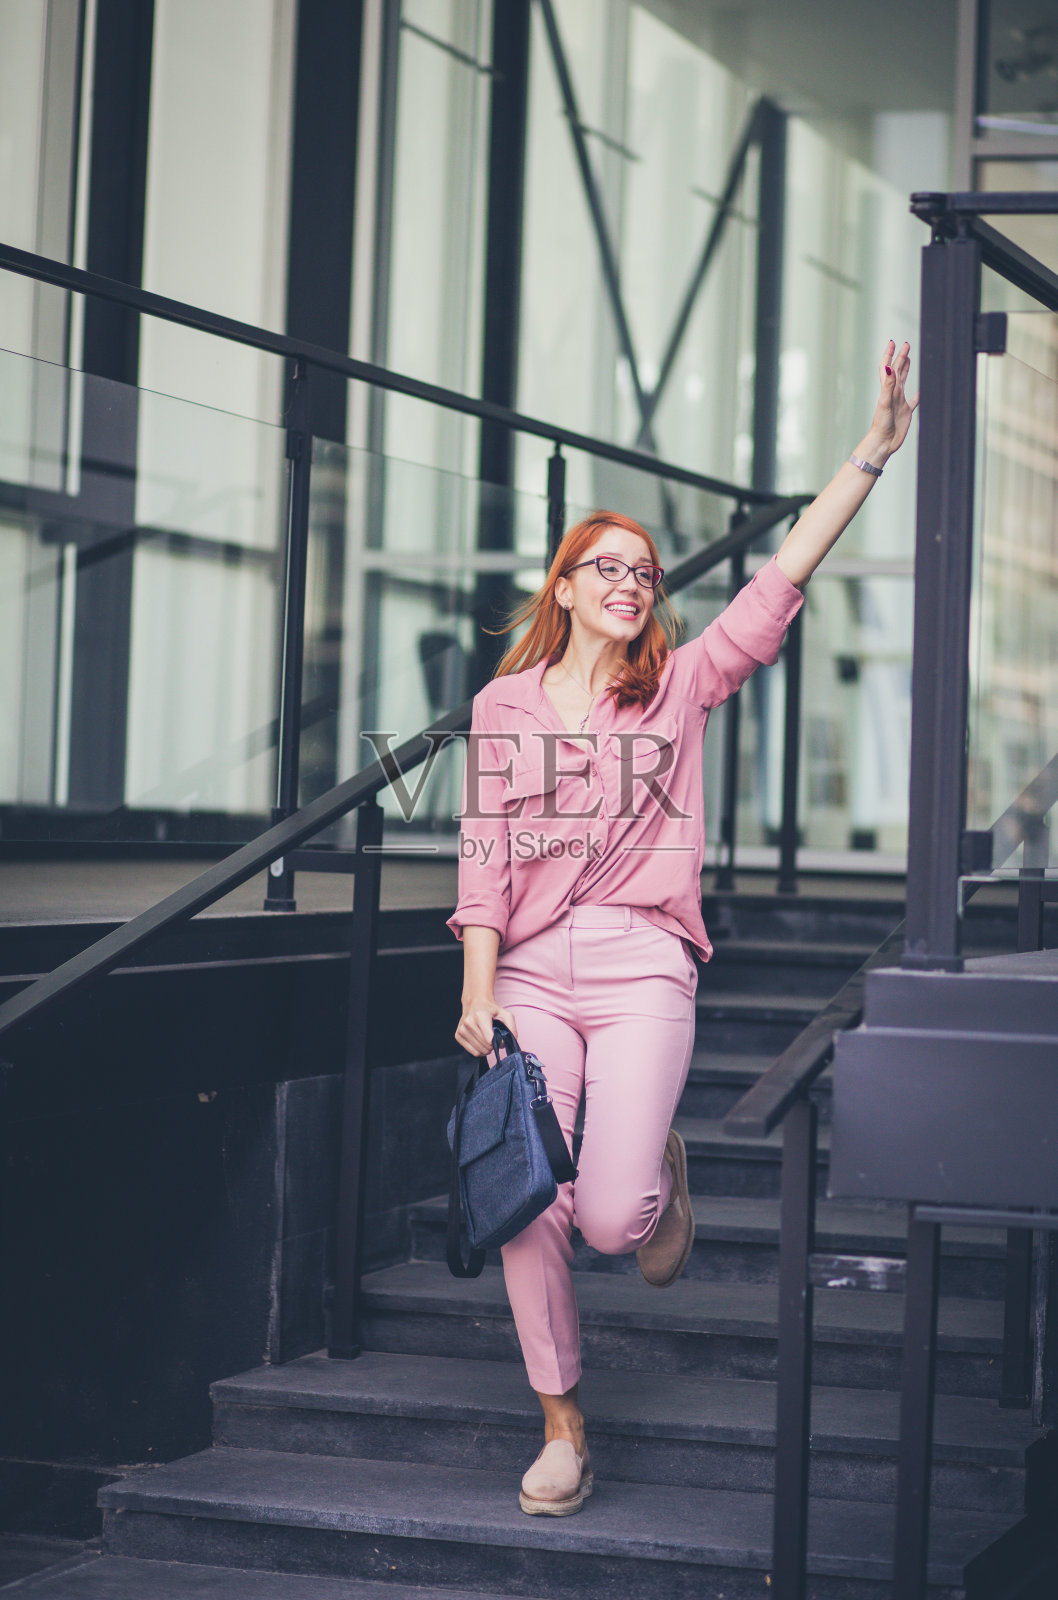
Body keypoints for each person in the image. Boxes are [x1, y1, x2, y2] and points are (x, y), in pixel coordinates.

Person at [448, 340, 918, 1517]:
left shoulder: (680, 686)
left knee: (612, 1219)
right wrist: (477, 986)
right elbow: (484, 851)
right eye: (606, 565)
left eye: (644, 569)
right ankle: (562, 1423)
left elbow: (776, 581)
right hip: (532, 982)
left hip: (643, 961)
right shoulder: (502, 705)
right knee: (526, 1196)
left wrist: (865, 454)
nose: (630, 579)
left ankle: (655, 1163)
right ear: (562, 588)